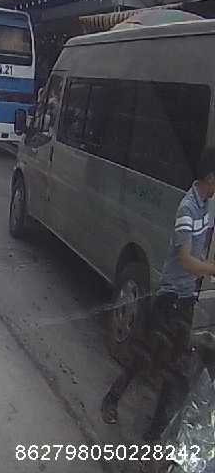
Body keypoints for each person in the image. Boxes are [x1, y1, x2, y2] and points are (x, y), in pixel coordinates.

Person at [101, 149, 215, 441]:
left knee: (176, 371)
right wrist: (211, 269)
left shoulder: (208, 204)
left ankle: (153, 437)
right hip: (170, 299)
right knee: (144, 358)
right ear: (210, 178)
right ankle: (112, 399)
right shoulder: (187, 209)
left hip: (186, 300)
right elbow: (186, 260)